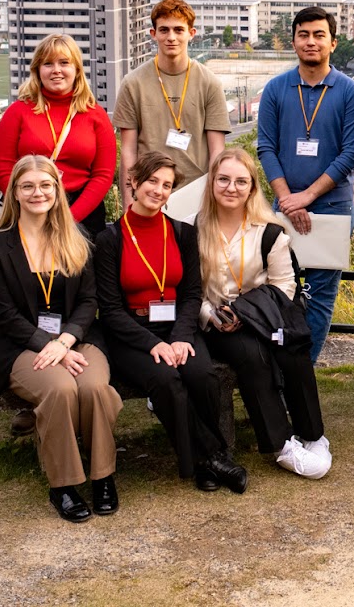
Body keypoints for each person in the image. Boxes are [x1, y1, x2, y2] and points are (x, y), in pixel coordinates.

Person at [93, 150, 247, 493]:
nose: (159, 191)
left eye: (166, 185)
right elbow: (111, 311)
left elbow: (192, 294)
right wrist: (155, 345)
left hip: (178, 327)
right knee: (167, 382)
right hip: (132, 334)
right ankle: (213, 457)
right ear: (133, 182)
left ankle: (207, 464)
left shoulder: (182, 233)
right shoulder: (109, 240)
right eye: (152, 181)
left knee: (203, 375)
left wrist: (179, 338)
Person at [0, 156, 123, 522]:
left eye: (45, 185)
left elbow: (89, 300)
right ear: (14, 192)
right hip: (23, 344)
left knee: (93, 386)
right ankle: (63, 485)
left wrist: (64, 343)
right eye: (27, 186)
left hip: (79, 339)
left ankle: (103, 475)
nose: (37, 193)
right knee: (61, 389)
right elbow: (5, 314)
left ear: (57, 190)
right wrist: (49, 345)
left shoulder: (77, 238)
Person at [196, 149, 331, 479]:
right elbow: (189, 290)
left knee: (294, 347)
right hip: (217, 325)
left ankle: (312, 434)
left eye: (241, 181)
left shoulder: (269, 231)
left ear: (253, 187)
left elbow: (285, 286)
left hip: (264, 314)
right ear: (212, 182)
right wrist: (210, 315)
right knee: (250, 353)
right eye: (224, 179)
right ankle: (280, 443)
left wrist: (247, 311)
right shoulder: (194, 231)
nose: (232, 187)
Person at [256, 7, 354, 362]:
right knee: (277, 291)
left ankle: (303, 371)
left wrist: (306, 196)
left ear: (333, 42)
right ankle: (276, 372)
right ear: (293, 41)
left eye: (319, 35)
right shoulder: (275, 89)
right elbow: (265, 147)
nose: (311, 41)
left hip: (333, 207)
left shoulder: (349, 92)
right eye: (304, 34)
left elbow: (350, 153)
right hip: (283, 207)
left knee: (320, 296)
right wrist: (288, 198)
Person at [0, 33, 117, 236]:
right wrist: (28, 207)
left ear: (76, 69)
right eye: (48, 63)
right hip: (29, 207)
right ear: (37, 70)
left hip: (83, 215)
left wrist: (69, 217)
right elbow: (3, 167)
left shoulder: (96, 114)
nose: (56, 70)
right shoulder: (18, 112)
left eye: (64, 63)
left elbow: (103, 175)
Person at [114, 0, 230, 193]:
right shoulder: (133, 83)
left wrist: (213, 199)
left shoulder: (209, 83)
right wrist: (128, 207)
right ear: (153, 34)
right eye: (164, 30)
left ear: (191, 34)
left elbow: (217, 152)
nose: (171, 37)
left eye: (178, 30)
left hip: (196, 192)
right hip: (148, 191)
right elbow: (128, 152)